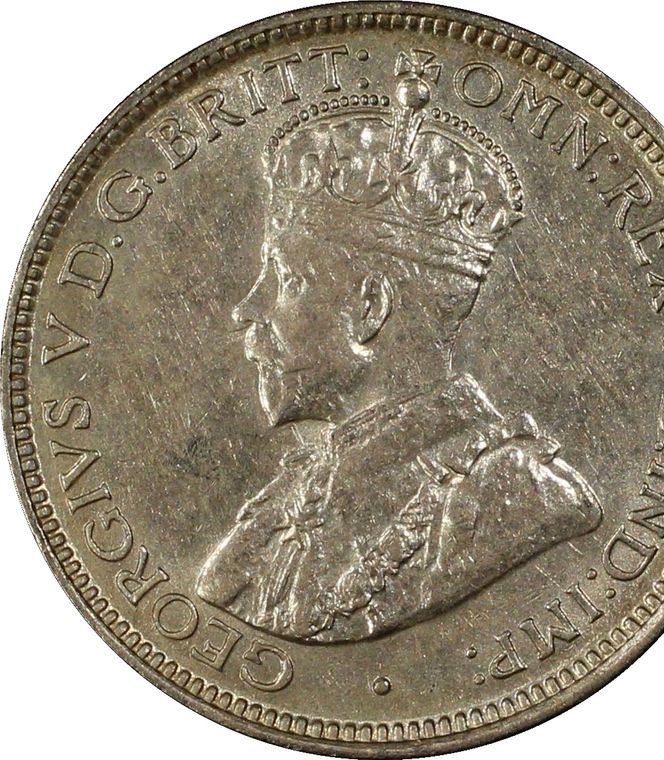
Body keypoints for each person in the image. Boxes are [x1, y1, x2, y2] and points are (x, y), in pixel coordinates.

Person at [195, 59, 602, 644]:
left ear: (369, 308)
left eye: (286, 280)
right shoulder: (296, 492)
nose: (247, 310)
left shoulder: (518, 492)